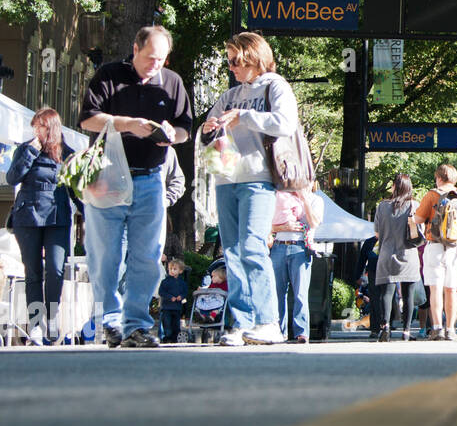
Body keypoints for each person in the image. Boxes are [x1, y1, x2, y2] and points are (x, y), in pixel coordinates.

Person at [80, 25, 193, 348]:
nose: (154, 65)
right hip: (108, 177)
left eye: (161, 59)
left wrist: (174, 134)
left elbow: (186, 128)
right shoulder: (109, 75)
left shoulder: (171, 83)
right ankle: (109, 321)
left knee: (146, 256)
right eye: (149, 58)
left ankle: (137, 325)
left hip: (151, 178)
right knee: (106, 256)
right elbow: (87, 119)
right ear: (135, 49)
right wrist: (126, 124)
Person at [200, 32, 299, 347]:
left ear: (253, 57)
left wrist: (244, 116)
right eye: (229, 61)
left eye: (235, 61)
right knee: (231, 251)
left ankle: (267, 321)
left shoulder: (275, 86)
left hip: (258, 178)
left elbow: (285, 123)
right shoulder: (229, 95)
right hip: (226, 178)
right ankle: (240, 325)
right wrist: (208, 129)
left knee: (252, 247)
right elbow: (206, 128)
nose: (231, 68)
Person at [6, 107, 80, 345]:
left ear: (52, 128)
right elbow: (12, 178)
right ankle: (36, 324)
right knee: (33, 272)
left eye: (41, 126)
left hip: (57, 217)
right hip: (27, 216)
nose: (36, 130)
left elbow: (75, 189)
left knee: (56, 269)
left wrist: (93, 213)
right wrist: (29, 152)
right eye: (35, 126)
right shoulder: (25, 149)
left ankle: (53, 317)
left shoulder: (67, 153)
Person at [414, 164, 457, 341]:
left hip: (435, 245)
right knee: (452, 289)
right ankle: (451, 329)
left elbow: (419, 219)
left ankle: (437, 328)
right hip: (456, 247)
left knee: (435, 289)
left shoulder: (432, 194)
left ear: (439, 178)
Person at [270, 184, 324, 343]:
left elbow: (314, 223)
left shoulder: (316, 200)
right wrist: (282, 226)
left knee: (300, 293)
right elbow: (268, 224)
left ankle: (302, 332)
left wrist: (305, 200)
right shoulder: (281, 196)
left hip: (300, 247)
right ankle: (279, 331)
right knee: (278, 293)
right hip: (279, 245)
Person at [373, 175, 422, 342]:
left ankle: (385, 327)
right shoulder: (414, 206)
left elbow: (377, 234)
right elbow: (420, 231)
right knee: (408, 295)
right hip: (408, 254)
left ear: (394, 186)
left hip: (386, 254)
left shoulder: (382, 206)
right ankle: (406, 331)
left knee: (386, 294)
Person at [158, 258, 188, 343]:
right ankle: (167, 337)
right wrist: (170, 297)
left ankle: (175, 337)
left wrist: (181, 296)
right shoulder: (165, 281)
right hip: (167, 306)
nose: (172, 271)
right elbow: (161, 292)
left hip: (177, 307)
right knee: (166, 323)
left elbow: (185, 292)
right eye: (170, 269)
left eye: (174, 269)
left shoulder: (182, 283)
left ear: (180, 271)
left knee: (176, 323)